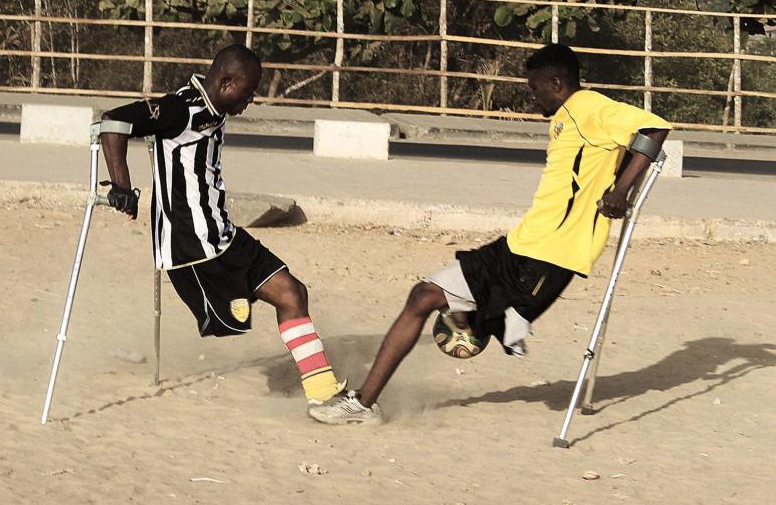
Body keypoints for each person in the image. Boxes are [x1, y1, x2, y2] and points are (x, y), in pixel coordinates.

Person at [308, 43, 671, 425]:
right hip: (520, 243)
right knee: (422, 295)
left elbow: (654, 127)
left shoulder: (590, 108)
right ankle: (366, 402)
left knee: (457, 307)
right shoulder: (565, 116)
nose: (533, 98)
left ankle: (486, 323)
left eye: (535, 89)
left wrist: (620, 191)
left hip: (550, 255)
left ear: (557, 82)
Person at [99, 43, 344, 405]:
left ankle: (326, 400)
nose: (251, 101)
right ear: (227, 81)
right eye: (248, 92)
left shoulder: (215, 108)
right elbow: (113, 123)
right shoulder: (181, 109)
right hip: (193, 244)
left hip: (223, 235)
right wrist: (121, 187)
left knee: (294, 293)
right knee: (239, 315)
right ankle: (234, 299)